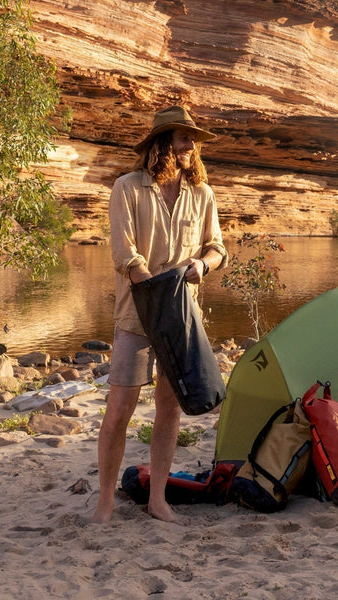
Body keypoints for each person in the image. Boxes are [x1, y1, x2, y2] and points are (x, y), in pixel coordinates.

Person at [93, 105, 227, 524]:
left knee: (169, 409)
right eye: (184, 137)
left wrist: (201, 266)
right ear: (162, 142)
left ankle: (158, 500)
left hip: (184, 319)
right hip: (136, 318)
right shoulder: (127, 188)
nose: (191, 146)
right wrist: (154, 289)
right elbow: (124, 254)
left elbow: (216, 248)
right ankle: (105, 502)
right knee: (119, 409)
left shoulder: (202, 194)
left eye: (194, 139)